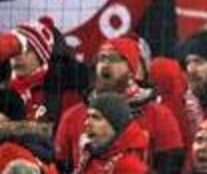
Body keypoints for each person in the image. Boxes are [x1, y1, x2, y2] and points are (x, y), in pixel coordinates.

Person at [55, 38, 185, 174]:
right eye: (101, 58)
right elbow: (61, 167)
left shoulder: (160, 115)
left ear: (131, 68)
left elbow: (170, 166)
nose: (105, 64)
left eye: (114, 58)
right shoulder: (72, 116)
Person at [76, 94, 149, 174]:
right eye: (88, 116)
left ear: (115, 125)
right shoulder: (89, 158)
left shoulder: (129, 168)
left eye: (96, 117)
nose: (86, 123)